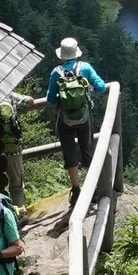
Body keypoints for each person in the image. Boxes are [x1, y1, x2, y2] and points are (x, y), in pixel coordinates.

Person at [45, 37, 107, 198]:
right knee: (87, 149)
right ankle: (92, 188)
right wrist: (88, 89)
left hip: (64, 119)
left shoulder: (56, 72)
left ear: (62, 54)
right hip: (84, 117)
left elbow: (50, 98)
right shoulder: (85, 67)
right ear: (76, 52)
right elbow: (100, 86)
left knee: (69, 152)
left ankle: (76, 188)